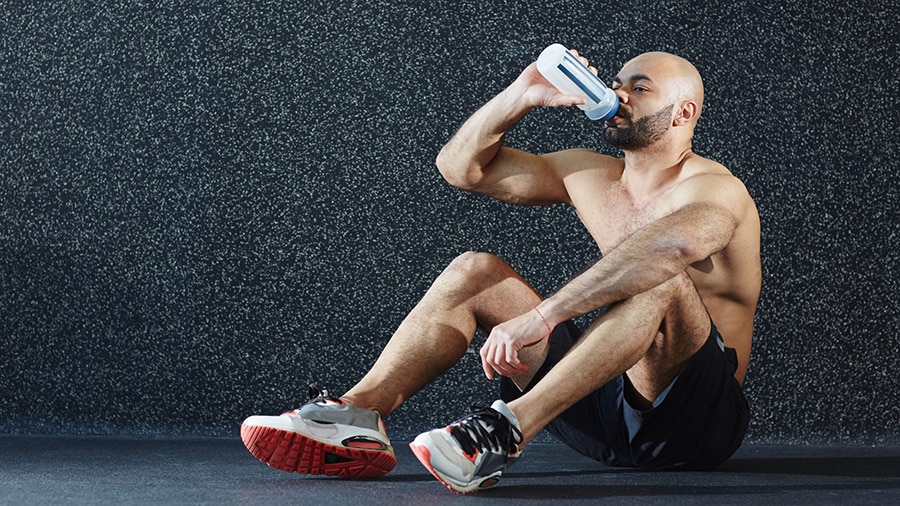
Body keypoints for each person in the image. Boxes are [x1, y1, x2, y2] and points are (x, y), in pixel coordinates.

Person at [240, 47, 761, 494]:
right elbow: (461, 168)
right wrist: (521, 95)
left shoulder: (714, 188)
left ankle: (505, 430)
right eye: (617, 81)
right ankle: (357, 415)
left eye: (640, 87)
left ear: (682, 111)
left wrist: (544, 317)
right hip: (601, 408)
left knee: (661, 278)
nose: (618, 93)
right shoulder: (588, 172)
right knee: (475, 271)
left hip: (695, 423)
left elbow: (671, 246)